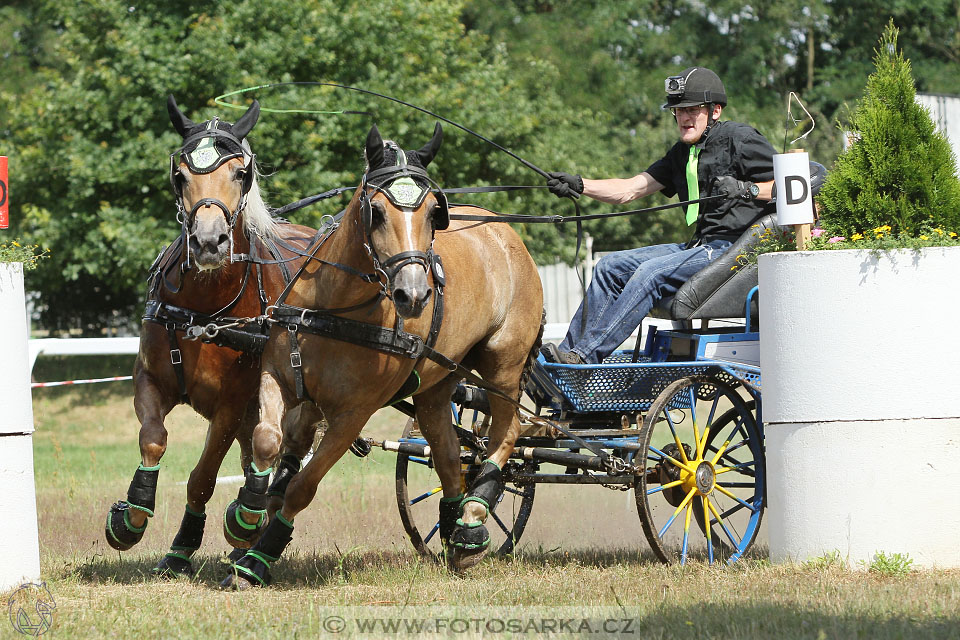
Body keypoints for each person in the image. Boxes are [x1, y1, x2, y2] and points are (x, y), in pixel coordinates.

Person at [543, 66, 777, 365]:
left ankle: (584, 358)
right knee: (609, 266)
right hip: (698, 246)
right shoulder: (680, 153)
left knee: (651, 273)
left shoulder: (740, 139)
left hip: (731, 250)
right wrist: (579, 184)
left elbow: (794, 183)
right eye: (678, 111)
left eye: (693, 109)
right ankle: (563, 360)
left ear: (715, 110)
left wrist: (748, 189)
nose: (684, 117)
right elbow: (628, 190)